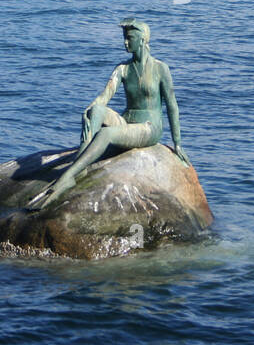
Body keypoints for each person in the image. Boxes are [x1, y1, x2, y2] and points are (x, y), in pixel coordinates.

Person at [27, 18, 189, 210]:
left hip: (148, 127)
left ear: (143, 40)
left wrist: (177, 143)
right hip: (127, 122)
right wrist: (89, 110)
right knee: (95, 112)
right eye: (124, 38)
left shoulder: (160, 69)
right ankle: (82, 161)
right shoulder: (123, 69)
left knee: (106, 134)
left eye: (130, 38)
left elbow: (172, 105)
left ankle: (69, 175)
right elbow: (104, 97)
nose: (125, 43)